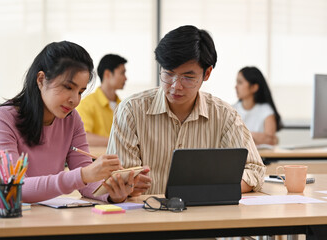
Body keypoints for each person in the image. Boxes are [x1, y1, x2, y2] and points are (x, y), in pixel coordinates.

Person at [106, 25, 266, 196]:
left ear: (207, 74)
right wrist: (124, 187)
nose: (176, 86)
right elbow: (117, 178)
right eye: (168, 74)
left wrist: (208, 189)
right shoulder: (131, 111)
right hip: (146, 217)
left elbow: (254, 170)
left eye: (188, 77)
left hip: (203, 217)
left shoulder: (225, 115)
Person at [0, 41, 137, 203]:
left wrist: (113, 192)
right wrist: (83, 175)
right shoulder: (0, 119)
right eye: (68, 87)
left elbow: (87, 184)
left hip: (45, 216)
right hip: (1, 215)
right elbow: (14, 187)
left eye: (80, 92)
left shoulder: (72, 119)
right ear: (41, 80)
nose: (75, 100)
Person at [76, 54, 127, 147]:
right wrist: (119, 142)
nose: (125, 78)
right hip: (95, 159)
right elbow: (84, 138)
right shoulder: (87, 104)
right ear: (107, 74)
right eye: (122, 73)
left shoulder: (124, 106)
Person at [233, 66, 282, 146]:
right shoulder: (232, 110)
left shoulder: (266, 110)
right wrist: (256, 137)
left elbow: (271, 140)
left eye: (240, 82)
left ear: (254, 87)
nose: (236, 87)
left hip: (261, 157)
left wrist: (242, 134)